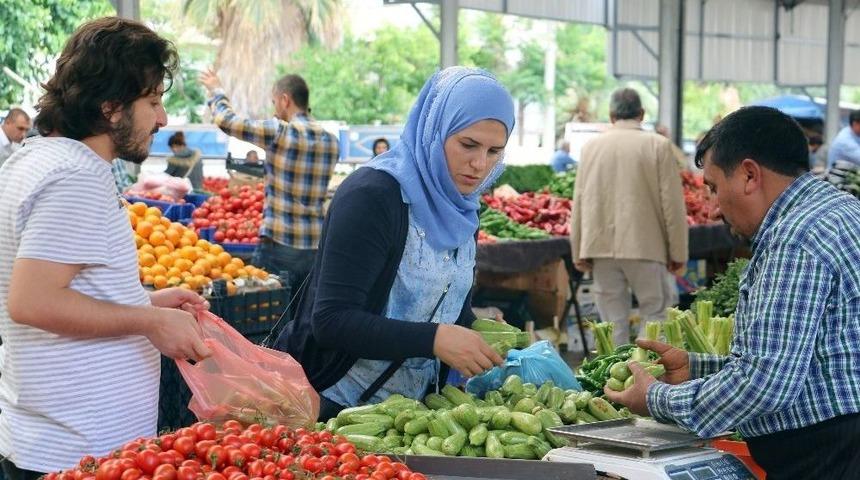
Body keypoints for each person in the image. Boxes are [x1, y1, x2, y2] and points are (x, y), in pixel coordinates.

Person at [0, 17, 210, 478]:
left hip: (52, 439)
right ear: (112, 107)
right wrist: (149, 319)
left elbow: (57, 288)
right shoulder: (75, 176)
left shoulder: (34, 159)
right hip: (78, 452)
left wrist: (144, 300)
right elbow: (33, 301)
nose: (163, 118)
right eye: (153, 101)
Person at [605, 106, 860, 479]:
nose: (711, 208)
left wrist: (658, 399)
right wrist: (697, 368)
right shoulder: (838, 210)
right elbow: (809, 362)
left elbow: (766, 383)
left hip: (830, 455)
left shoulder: (796, 239)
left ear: (749, 174)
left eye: (712, 187)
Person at [273, 67, 514, 420]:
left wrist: (482, 331)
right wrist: (435, 339)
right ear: (435, 130)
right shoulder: (373, 195)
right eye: (468, 144)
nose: (480, 164)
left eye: (495, 151)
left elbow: (446, 308)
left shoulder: (462, 208)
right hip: (329, 408)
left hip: (407, 418)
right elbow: (331, 320)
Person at [199, 70, 338, 292]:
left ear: (285, 100)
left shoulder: (280, 132)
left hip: (279, 243)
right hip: (315, 245)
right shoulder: (331, 141)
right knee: (301, 315)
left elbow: (226, 121)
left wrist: (216, 91)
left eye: (275, 102)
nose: (275, 109)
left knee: (266, 311)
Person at [571, 88, 688, 346]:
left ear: (611, 115)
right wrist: (678, 251)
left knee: (611, 323)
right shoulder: (657, 145)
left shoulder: (591, 147)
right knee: (655, 314)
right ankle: (645, 377)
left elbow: (579, 200)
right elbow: (672, 204)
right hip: (646, 246)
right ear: (642, 114)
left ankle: (611, 380)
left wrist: (578, 248)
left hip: (600, 247)